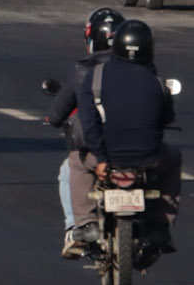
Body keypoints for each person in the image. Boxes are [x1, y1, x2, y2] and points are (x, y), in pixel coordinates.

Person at [67, 18, 182, 256]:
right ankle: (161, 224)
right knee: (174, 157)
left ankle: (86, 224)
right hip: (147, 159)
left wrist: (100, 158)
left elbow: (89, 122)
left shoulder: (95, 76)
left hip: (107, 159)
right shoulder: (157, 82)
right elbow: (166, 118)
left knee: (76, 162)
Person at [44, 8, 125, 259]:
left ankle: (75, 227)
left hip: (98, 151)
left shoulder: (83, 71)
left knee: (70, 168)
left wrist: (52, 119)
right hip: (136, 148)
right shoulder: (138, 68)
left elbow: (58, 115)